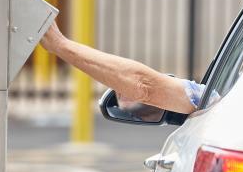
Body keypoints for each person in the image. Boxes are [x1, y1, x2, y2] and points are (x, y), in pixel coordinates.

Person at [39, 23, 204, 114]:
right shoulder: (220, 101)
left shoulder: (215, 100)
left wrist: (59, 45)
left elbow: (143, 86)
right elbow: (143, 86)